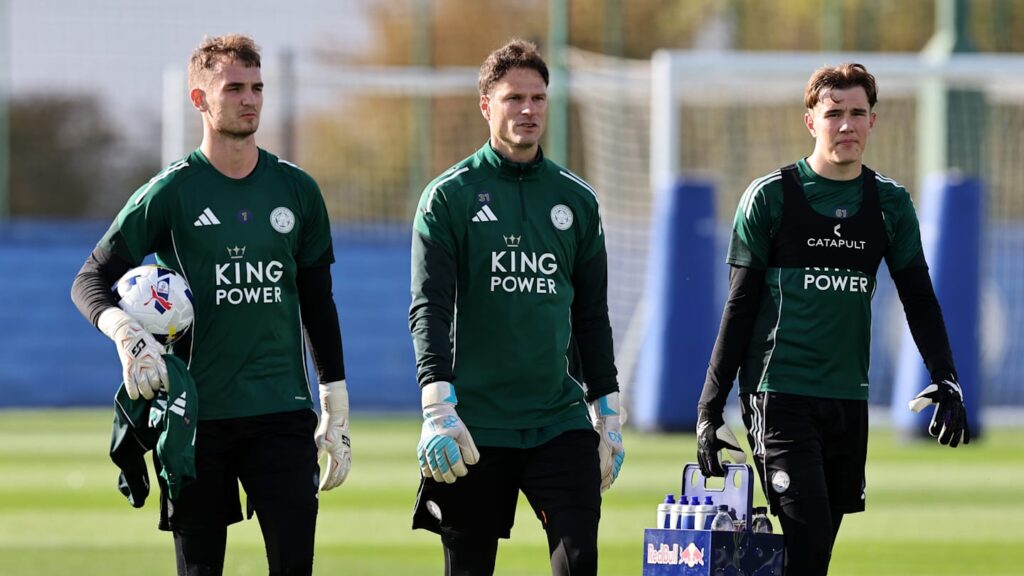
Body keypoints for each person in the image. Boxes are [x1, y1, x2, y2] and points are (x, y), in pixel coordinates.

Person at [70, 34, 351, 576]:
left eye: (258, 88)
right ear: (199, 99)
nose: (250, 100)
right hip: (197, 416)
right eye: (234, 88)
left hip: (283, 414)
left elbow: (318, 302)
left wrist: (334, 402)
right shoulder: (169, 193)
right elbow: (90, 279)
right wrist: (128, 334)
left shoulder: (297, 190)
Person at [695, 63, 971, 575]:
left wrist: (946, 377)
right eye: (834, 113)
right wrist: (710, 408)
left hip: (848, 398)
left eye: (858, 114)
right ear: (810, 121)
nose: (846, 125)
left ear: (873, 121)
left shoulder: (890, 204)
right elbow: (739, 307)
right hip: (779, 397)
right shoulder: (769, 198)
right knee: (808, 540)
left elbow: (919, 299)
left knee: (814, 553)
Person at [408, 38, 624, 576]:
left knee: (579, 564)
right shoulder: (448, 196)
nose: (528, 110)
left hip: (559, 419)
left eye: (538, 98)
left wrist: (610, 412)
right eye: (513, 99)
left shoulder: (577, 199)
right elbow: (429, 308)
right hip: (474, 425)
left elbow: (592, 316)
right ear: (487, 105)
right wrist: (437, 408)